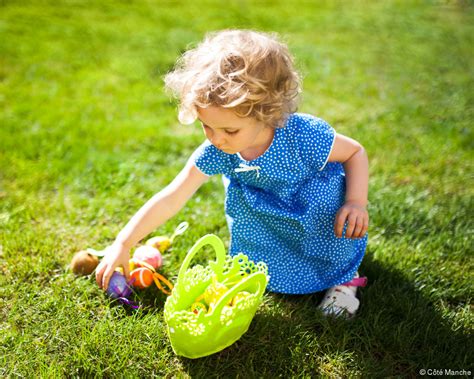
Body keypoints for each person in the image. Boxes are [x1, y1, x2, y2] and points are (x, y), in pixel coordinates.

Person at [95, 29, 369, 318]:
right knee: (255, 249)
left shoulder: (302, 137)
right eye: (206, 126)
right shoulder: (217, 150)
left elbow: (355, 152)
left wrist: (355, 202)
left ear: (267, 112)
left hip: (317, 211)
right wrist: (123, 243)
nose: (216, 139)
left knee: (327, 232)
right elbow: (171, 197)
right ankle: (279, 264)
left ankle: (344, 280)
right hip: (268, 218)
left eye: (229, 130)